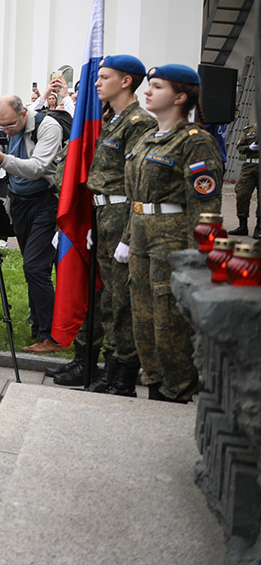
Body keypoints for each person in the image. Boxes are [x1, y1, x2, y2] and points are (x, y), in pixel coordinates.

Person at [115, 64, 221, 403]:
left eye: (157, 86)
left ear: (179, 96)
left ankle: (178, 391)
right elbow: (136, 197)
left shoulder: (195, 142)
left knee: (170, 321)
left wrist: (198, 258)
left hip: (171, 241)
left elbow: (205, 206)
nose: (148, 91)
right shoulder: (148, 137)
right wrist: (128, 238)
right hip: (141, 238)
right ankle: (156, 384)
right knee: (143, 321)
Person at [65, 54, 157, 394]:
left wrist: (129, 233)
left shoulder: (137, 123)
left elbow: (137, 181)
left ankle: (123, 377)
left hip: (122, 214)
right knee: (106, 297)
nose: (97, 83)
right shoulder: (110, 119)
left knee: (122, 299)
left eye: (104, 77)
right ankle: (109, 369)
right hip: (103, 213)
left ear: (126, 81)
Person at [0, 95, 66, 351]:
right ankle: (39, 327)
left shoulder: (48, 126)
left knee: (35, 266)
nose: (7, 131)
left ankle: (52, 336)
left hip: (46, 201)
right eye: (2, 126)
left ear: (24, 114)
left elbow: (37, 168)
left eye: (10, 125)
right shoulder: (8, 131)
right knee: (32, 268)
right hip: (19, 204)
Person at [230, 122, 259, 237]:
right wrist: (249, 148)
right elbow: (240, 147)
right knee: (242, 194)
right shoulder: (249, 129)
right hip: (248, 166)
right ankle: (243, 226)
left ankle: (259, 227)